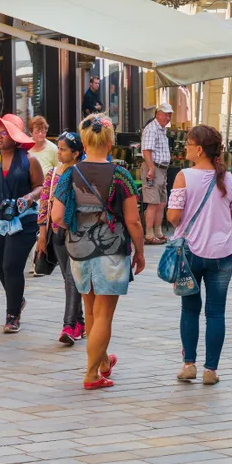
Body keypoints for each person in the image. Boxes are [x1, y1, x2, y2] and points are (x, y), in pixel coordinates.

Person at [50, 114, 145, 389]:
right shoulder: (120, 175)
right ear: (110, 141)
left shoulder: (70, 173)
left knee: (90, 310)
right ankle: (91, 374)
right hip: (111, 249)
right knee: (104, 314)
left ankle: (103, 362)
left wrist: (79, 225)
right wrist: (139, 251)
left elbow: (56, 215)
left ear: (84, 141)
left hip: (78, 249)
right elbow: (133, 220)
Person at [167, 125, 232, 386]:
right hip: (222, 253)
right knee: (216, 312)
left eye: (188, 143)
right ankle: (211, 370)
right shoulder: (230, 179)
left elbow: (174, 217)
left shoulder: (183, 177)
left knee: (189, 309)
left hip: (189, 252)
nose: (185, 147)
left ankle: (189, 364)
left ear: (199, 149)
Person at [0, 113, 44, 333]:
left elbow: (41, 187)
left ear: (15, 137)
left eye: (4, 132)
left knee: (11, 265)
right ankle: (17, 300)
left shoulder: (28, 160)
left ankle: (12, 316)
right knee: (1, 267)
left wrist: (29, 197)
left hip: (23, 221)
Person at [36, 131, 85, 345]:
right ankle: (80, 322)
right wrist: (42, 234)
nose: (59, 152)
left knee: (72, 278)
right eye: (59, 148)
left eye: (63, 149)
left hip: (76, 233)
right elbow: (44, 203)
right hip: (57, 233)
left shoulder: (83, 173)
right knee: (69, 279)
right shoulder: (53, 174)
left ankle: (68, 326)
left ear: (76, 153)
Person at [140, 102, 174, 244]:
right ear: (158, 114)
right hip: (154, 168)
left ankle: (158, 232)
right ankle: (149, 234)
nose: (168, 117)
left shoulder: (161, 129)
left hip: (162, 169)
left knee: (161, 202)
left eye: (170, 115)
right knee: (153, 202)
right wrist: (152, 168)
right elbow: (147, 150)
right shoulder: (151, 129)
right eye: (166, 114)